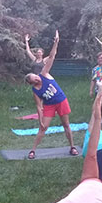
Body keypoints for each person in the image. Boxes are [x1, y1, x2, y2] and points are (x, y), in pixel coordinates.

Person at [24, 30, 78, 159]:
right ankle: (33, 150)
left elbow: (52, 56)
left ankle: (72, 147)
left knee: (66, 125)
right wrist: (40, 120)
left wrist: (56, 43)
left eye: (35, 76)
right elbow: (38, 106)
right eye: (34, 78)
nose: (37, 77)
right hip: (49, 106)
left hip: (61, 101)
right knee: (43, 128)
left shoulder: (44, 74)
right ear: (32, 82)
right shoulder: (35, 91)